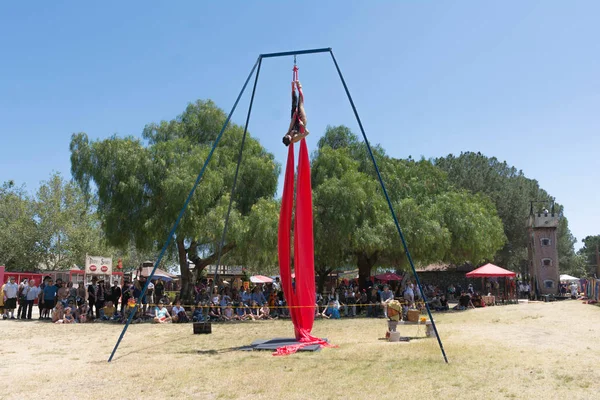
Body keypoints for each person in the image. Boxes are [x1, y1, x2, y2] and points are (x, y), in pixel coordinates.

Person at [282, 80, 309, 146]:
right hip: (301, 123)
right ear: (290, 140)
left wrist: (293, 118)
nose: (288, 135)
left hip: (294, 123)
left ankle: (293, 89)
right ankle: (300, 87)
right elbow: (307, 133)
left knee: (294, 104)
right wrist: (302, 125)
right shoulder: (295, 138)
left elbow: (290, 128)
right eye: (289, 136)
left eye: (287, 135)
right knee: (300, 104)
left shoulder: (286, 136)